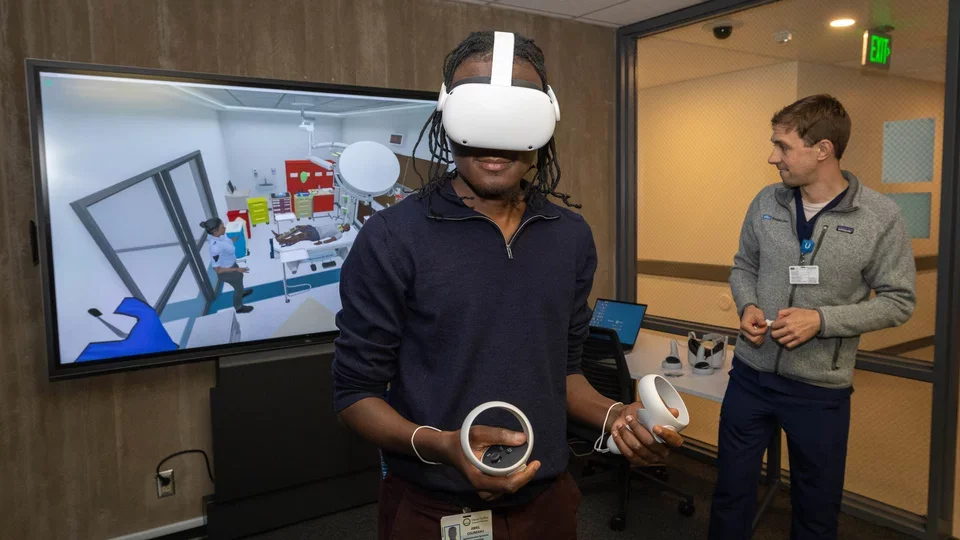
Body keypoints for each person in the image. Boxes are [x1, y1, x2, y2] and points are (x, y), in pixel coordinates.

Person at [332, 31, 682, 540]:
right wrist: (445, 445)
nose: (495, 145)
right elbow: (355, 394)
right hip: (434, 508)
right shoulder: (392, 237)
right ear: (447, 116)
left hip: (548, 501)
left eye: (515, 120)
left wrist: (616, 417)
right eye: (479, 119)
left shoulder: (569, 236)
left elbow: (564, 374)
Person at [709, 94, 916, 540]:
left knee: (816, 511)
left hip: (819, 391)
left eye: (783, 146)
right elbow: (743, 266)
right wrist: (748, 305)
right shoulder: (766, 201)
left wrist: (821, 321)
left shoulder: (880, 217)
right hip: (751, 376)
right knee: (730, 494)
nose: (773, 157)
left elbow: (899, 301)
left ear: (823, 149)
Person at [200, 218, 254, 314]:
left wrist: (232, 240)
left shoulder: (219, 235)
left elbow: (224, 241)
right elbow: (217, 269)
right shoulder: (215, 248)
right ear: (215, 231)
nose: (225, 228)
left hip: (232, 265)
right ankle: (239, 307)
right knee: (238, 288)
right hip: (228, 272)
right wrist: (236, 269)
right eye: (222, 227)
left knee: (240, 279)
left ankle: (241, 292)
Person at [272, 223, 351, 247]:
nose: (345, 225)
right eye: (345, 224)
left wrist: (321, 242)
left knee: (300, 236)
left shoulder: (340, 234)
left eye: (346, 226)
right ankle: (281, 235)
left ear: (346, 230)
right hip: (315, 228)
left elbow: (331, 240)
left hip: (317, 235)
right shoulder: (338, 224)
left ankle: (283, 241)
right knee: (298, 227)